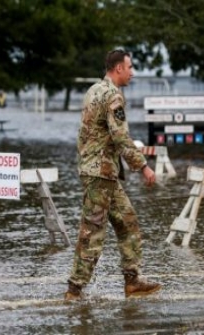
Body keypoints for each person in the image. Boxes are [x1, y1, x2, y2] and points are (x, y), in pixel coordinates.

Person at [64, 49, 161, 300]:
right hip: (100, 174)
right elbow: (121, 137)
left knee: (128, 222)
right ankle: (74, 290)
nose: (132, 73)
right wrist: (144, 167)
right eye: (129, 67)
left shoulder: (93, 91)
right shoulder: (112, 96)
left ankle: (133, 280)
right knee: (92, 232)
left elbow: (84, 135)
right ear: (118, 68)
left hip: (100, 172)